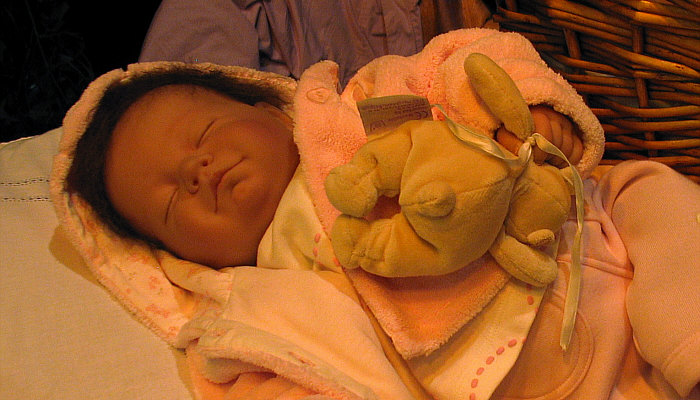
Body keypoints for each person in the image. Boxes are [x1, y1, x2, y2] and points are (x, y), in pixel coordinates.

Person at [56, 29, 699, 400]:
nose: (198, 171)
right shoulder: (261, 303)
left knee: (650, 189)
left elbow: (465, 57)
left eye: (205, 133)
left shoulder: (364, 106)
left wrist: (525, 105)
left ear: (268, 109)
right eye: (172, 201)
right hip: (535, 380)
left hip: (583, 230)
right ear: (177, 258)